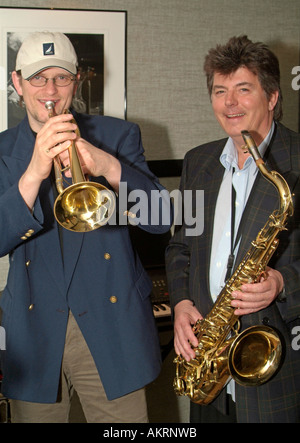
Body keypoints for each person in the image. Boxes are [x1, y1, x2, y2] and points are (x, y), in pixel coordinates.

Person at [0, 31, 172, 423]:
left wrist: (108, 167)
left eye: (61, 78)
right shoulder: (2, 151)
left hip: (111, 326)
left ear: (76, 80)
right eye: (37, 78)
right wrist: (33, 174)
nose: (50, 90)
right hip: (36, 330)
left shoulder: (117, 135)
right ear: (17, 83)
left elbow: (161, 217)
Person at [165, 35, 300, 423]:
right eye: (220, 91)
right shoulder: (198, 161)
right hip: (209, 368)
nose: (229, 103)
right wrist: (181, 304)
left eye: (243, 89)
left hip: (277, 369)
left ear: (272, 96)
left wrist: (283, 283)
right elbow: (180, 248)